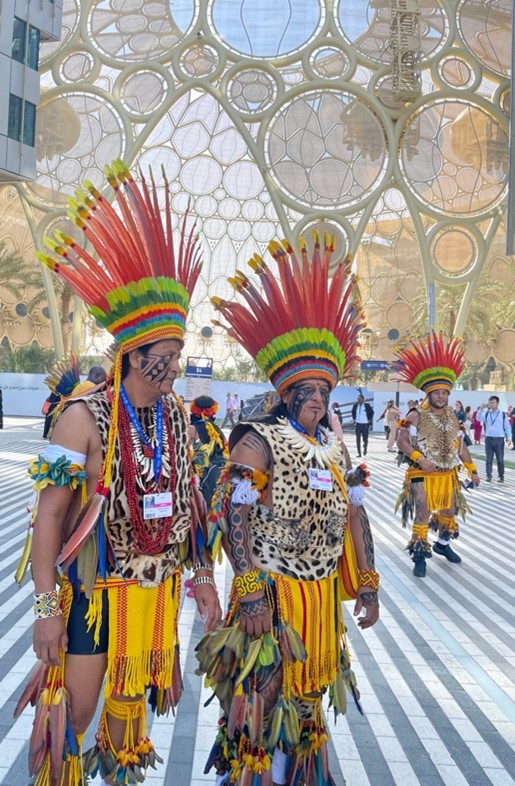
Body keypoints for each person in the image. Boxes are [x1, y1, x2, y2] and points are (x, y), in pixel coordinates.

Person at [16, 161, 221, 786]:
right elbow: (47, 516)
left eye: (180, 353)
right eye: (166, 354)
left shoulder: (181, 420)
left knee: (129, 723)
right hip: (93, 600)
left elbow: (190, 504)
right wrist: (46, 608)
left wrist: (205, 578)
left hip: (155, 599)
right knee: (76, 715)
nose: (176, 364)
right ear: (133, 353)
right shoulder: (79, 418)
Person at [198, 234, 379, 786]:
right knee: (262, 697)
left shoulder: (336, 447)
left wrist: (367, 584)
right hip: (273, 591)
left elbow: (356, 514)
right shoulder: (259, 438)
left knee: (307, 699)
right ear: (287, 392)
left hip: (320, 596)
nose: (319, 399)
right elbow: (235, 511)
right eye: (309, 391)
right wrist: (249, 586)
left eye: (325, 390)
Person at [394, 332, 480, 578]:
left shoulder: (454, 417)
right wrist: (421, 459)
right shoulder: (415, 415)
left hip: (447, 474)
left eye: (445, 393)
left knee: (449, 512)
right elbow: (401, 441)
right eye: (437, 393)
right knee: (422, 510)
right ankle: (419, 554)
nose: (441, 396)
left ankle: (443, 545)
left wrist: (472, 470)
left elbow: (460, 446)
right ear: (428, 394)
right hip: (422, 472)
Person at [477, 395, 511, 482]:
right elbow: (478, 418)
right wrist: (481, 409)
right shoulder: (487, 413)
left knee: (500, 459)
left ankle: (501, 476)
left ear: (497, 403)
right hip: (489, 439)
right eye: (490, 402)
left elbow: (507, 427)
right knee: (488, 458)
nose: (491, 404)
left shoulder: (502, 414)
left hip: (499, 439)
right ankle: (489, 476)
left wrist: (509, 437)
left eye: (493, 402)